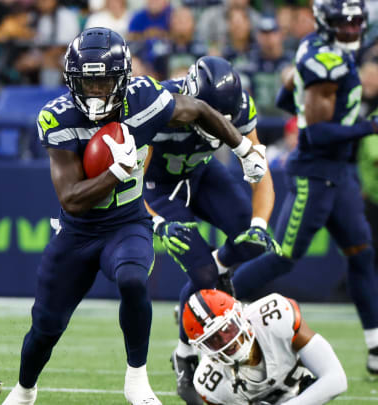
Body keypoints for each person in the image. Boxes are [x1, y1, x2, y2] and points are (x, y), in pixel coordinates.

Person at [1, 27, 268, 405]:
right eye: (87, 82)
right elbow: (72, 199)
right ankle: (25, 389)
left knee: (132, 279)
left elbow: (200, 109)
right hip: (77, 231)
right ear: (71, 80)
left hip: (127, 223)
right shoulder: (56, 117)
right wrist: (115, 172)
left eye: (104, 81)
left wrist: (243, 148)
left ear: (123, 78)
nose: (96, 91)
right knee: (46, 325)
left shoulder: (144, 98)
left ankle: (137, 379)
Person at [231, 0, 378, 375]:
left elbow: (285, 96)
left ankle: (376, 348)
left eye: (356, 22)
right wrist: (370, 126)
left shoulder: (318, 49)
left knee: (361, 254)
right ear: (326, 24)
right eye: (343, 24)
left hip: (339, 174)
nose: (351, 30)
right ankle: (219, 308)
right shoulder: (325, 60)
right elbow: (316, 131)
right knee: (282, 256)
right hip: (315, 173)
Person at [143, 56, 278, 405]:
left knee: (252, 241)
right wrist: (158, 223)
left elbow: (261, 174)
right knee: (202, 272)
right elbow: (129, 182)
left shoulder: (241, 107)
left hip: (200, 175)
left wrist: (261, 225)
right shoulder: (158, 107)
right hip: (156, 187)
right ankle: (184, 356)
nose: (218, 127)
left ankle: (215, 276)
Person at [182, 289, 347, 404]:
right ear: (203, 347)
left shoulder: (275, 316)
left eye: (227, 328)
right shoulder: (211, 383)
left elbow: (336, 379)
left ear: (239, 315)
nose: (226, 341)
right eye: (213, 340)